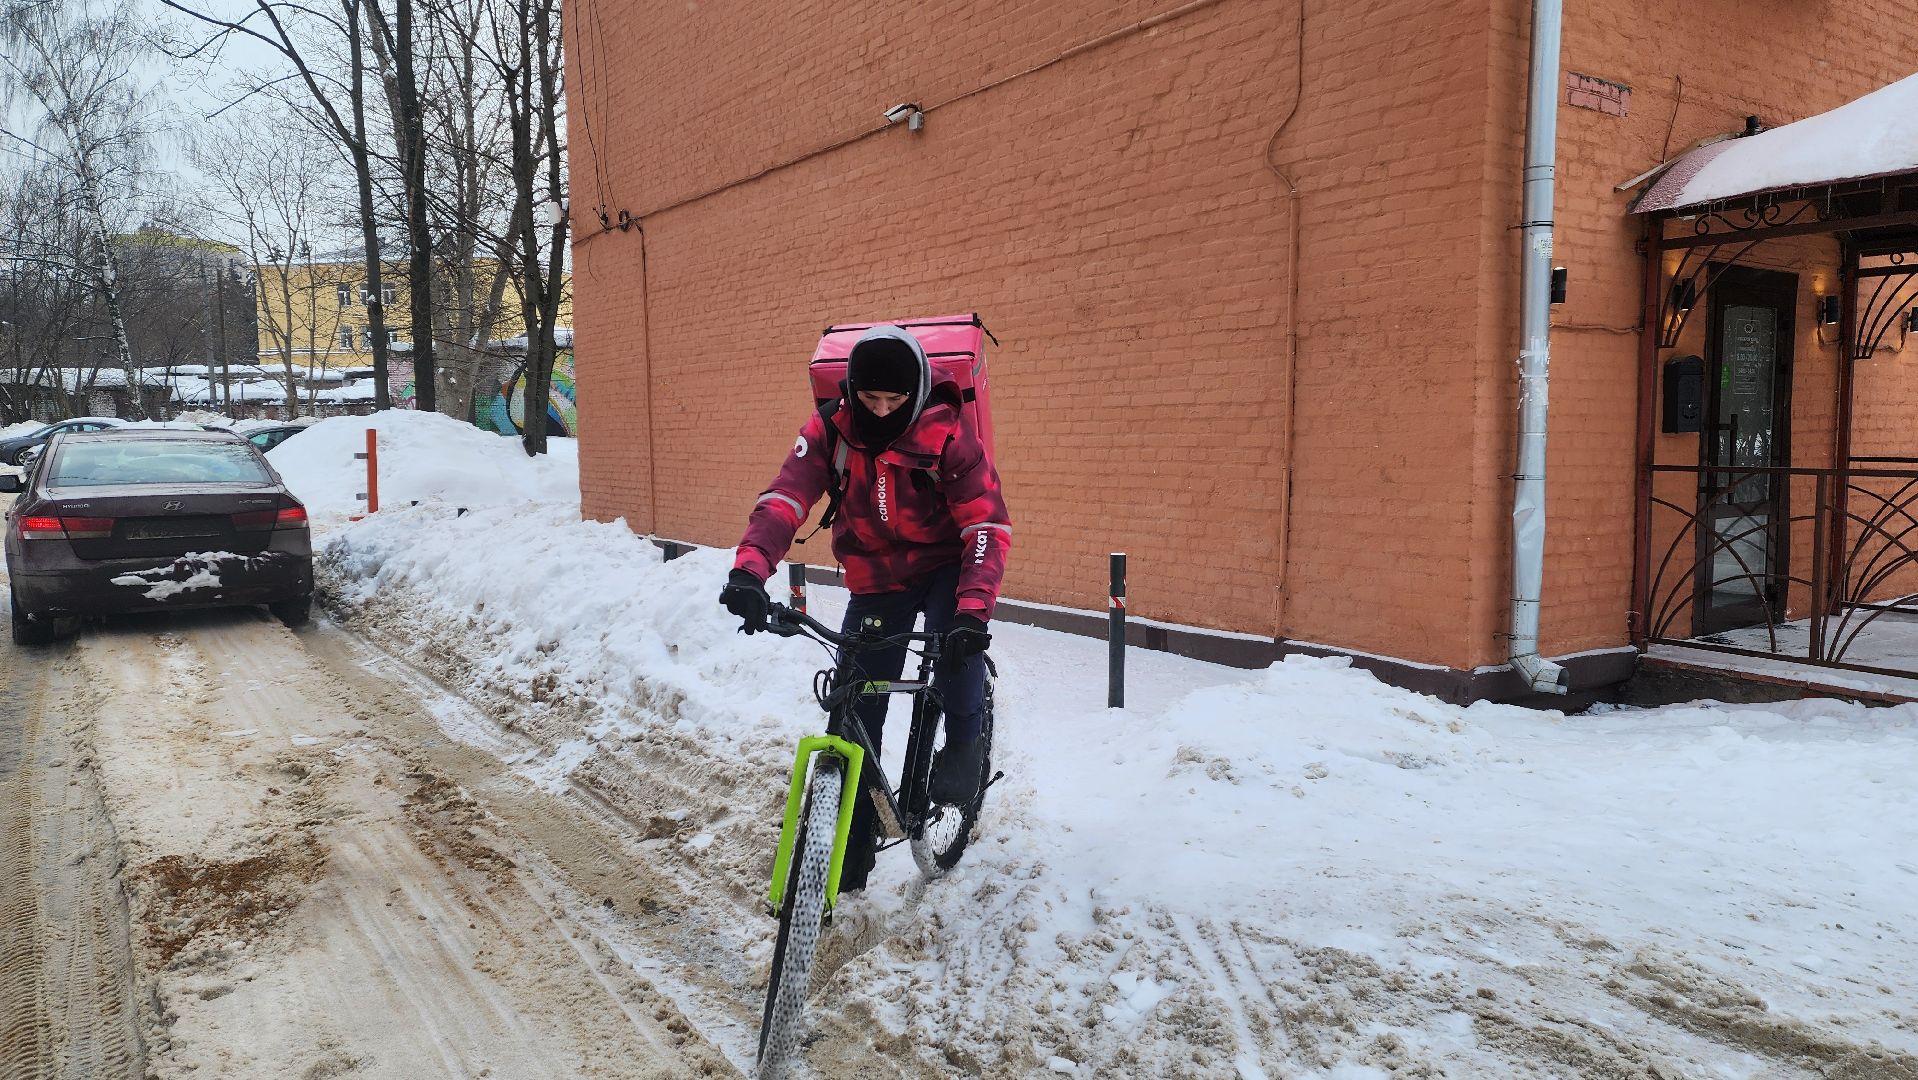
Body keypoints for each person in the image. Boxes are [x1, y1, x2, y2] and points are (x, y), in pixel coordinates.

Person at [720, 324, 1011, 892]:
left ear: (916, 392)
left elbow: (985, 523)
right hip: (878, 576)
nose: (879, 411)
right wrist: (750, 570)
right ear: (851, 390)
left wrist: (972, 612)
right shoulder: (831, 430)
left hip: (948, 564)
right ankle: (849, 845)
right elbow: (786, 496)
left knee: (956, 648)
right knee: (856, 703)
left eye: (893, 399)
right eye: (869, 398)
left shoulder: (949, 434)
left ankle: (964, 745)